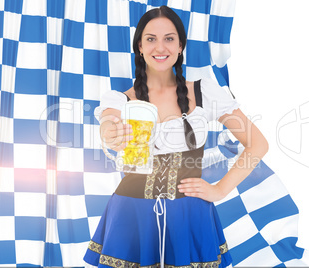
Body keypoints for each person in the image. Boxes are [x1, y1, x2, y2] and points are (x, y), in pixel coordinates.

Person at [84, 5, 268, 268]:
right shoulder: (120, 100)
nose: (161, 47)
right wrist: (110, 133)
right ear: (139, 47)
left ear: (181, 46)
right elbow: (108, 124)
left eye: (169, 38)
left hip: (190, 214)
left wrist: (220, 189)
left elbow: (257, 143)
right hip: (131, 214)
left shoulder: (205, 92)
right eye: (151, 39)